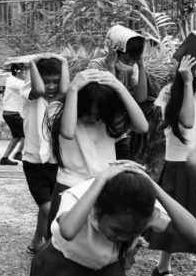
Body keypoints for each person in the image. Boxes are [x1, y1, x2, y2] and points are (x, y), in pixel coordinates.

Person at [20, 162, 196, 276]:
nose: (123, 238)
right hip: (63, 268)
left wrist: (152, 186)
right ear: (98, 211)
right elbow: (68, 230)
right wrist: (102, 178)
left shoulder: (140, 207)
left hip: (107, 272)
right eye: (117, 231)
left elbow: (195, 233)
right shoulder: (81, 197)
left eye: (134, 233)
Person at [46, 70, 149, 237]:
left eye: (98, 114)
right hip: (70, 187)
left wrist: (120, 88)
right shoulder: (58, 110)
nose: (93, 118)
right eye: (88, 112)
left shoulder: (107, 119)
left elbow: (142, 127)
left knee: (98, 239)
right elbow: (68, 132)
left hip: (103, 187)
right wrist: (73, 90)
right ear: (79, 103)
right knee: (59, 238)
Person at [145, 55, 196, 276]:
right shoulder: (170, 92)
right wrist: (187, 83)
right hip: (179, 164)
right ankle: (162, 268)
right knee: (174, 218)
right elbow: (187, 122)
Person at [20, 54, 69, 253]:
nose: (50, 87)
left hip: (56, 159)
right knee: (49, 208)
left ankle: (36, 241)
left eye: (55, 82)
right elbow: (39, 89)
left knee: (49, 205)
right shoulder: (28, 91)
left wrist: (64, 62)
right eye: (46, 81)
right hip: (33, 160)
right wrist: (32, 62)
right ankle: (52, 247)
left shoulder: (64, 98)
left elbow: (65, 90)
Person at [88, 24, 148, 160]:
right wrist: (110, 67)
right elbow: (110, 101)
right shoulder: (96, 66)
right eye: (127, 60)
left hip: (120, 133)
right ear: (114, 52)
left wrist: (141, 66)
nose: (130, 63)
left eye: (134, 60)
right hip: (101, 133)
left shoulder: (131, 69)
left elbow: (141, 98)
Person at [0, 63, 26, 165]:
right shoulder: (14, 82)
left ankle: (5, 158)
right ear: (17, 72)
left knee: (17, 136)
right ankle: (19, 154)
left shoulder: (15, 80)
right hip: (12, 114)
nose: (24, 73)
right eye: (22, 71)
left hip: (11, 113)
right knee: (28, 133)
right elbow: (27, 87)